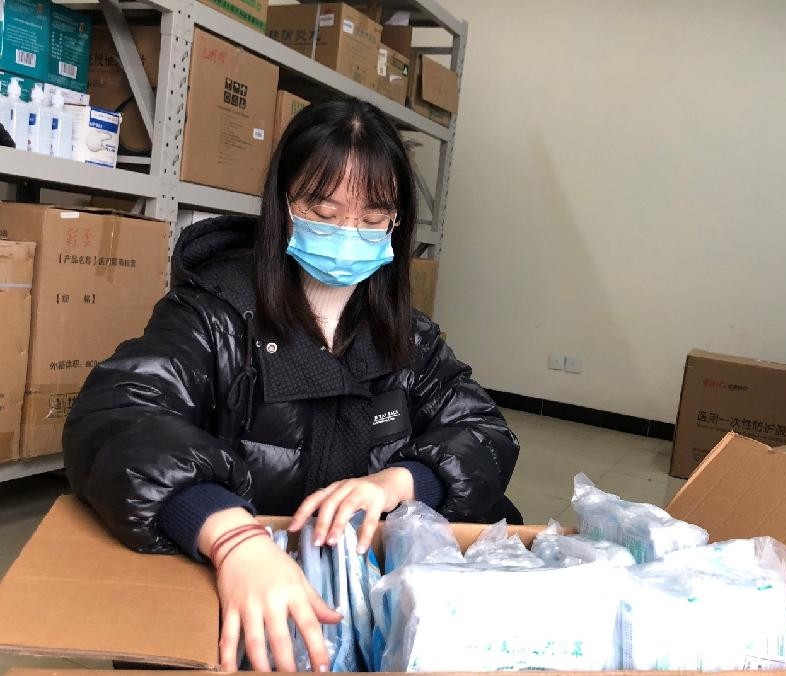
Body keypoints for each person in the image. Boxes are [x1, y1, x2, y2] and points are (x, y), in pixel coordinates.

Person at [63, 97, 521, 673]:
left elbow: (483, 432)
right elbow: (116, 417)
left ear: (396, 223)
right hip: (230, 590)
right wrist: (231, 536)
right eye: (323, 211)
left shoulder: (410, 337)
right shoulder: (211, 316)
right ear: (282, 205)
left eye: (373, 217)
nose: (347, 234)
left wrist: (401, 481)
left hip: (357, 601)